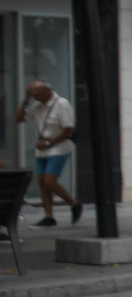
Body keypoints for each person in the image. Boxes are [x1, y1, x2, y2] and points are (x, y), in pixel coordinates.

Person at [16, 81, 82, 227]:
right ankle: (49, 216)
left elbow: (68, 129)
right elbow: (19, 118)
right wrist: (26, 100)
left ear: (47, 90)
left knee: (49, 180)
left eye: (35, 91)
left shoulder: (61, 104)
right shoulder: (37, 106)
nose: (34, 94)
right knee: (42, 182)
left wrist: (49, 143)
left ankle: (74, 203)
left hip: (58, 147)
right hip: (42, 149)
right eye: (31, 91)